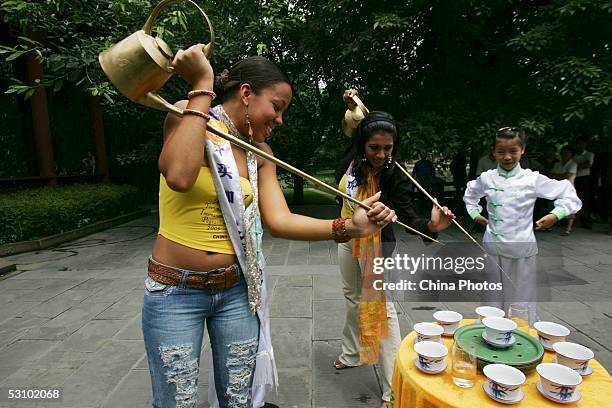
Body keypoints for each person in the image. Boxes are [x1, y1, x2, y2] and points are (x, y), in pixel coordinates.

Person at [142, 47, 397, 408]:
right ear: (246, 93)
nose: (279, 119)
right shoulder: (189, 114)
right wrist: (202, 83)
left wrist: (350, 227)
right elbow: (179, 177)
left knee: (239, 400)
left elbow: (280, 220)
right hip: (174, 291)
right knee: (175, 402)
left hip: (236, 291)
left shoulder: (259, 152)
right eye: (276, 107)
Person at [333, 90, 454, 408]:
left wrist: (432, 226)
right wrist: (352, 104)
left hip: (377, 246)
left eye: (388, 148)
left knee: (382, 310)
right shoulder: (351, 159)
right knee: (351, 298)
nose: (381, 154)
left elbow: (411, 216)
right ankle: (351, 352)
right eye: (375, 147)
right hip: (346, 236)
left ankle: (393, 388)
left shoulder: (395, 175)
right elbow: (352, 122)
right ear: (362, 144)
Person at [464, 127, 581, 324]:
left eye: (513, 151)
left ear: (522, 150)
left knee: (520, 300)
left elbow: (568, 193)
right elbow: (470, 195)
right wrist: (475, 214)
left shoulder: (531, 178)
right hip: (492, 247)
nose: (507, 157)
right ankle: (491, 332)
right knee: (491, 297)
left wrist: (556, 214)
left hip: (521, 250)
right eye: (501, 151)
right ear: (493, 151)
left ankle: (520, 337)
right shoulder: (487, 178)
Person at [550, 145, 578, 236]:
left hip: (568, 189)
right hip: (557, 188)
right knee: (555, 205)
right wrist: (561, 175)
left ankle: (568, 229)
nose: (565, 154)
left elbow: (567, 176)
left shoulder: (573, 164)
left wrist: (558, 175)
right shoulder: (557, 163)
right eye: (564, 152)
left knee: (570, 207)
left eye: (568, 152)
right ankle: (549, 225)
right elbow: (551, 175)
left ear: (571, 154)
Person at [573, 135, 594, 228]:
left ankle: (585, 220)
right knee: (575, 198)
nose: (581, 145)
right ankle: (574, 220)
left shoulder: (589, 154)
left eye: (583, 143)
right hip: (576, 178)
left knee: (585, 200)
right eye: (579, 143)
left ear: (586, 144)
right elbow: (575, 166)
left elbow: (588, 165)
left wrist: (577, 166)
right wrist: (580, 166)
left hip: (585, 178)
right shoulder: (574, 155)